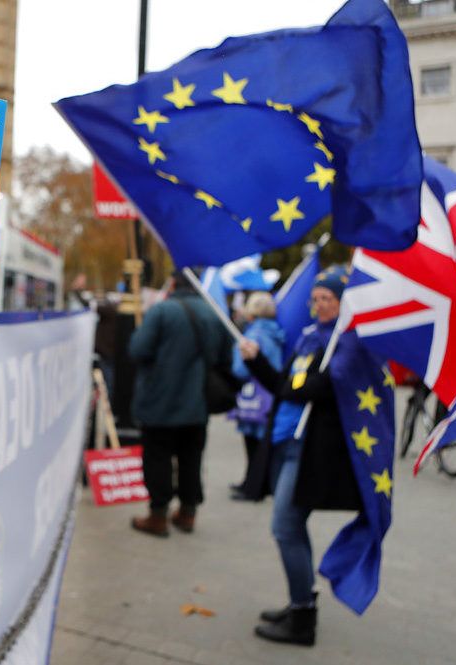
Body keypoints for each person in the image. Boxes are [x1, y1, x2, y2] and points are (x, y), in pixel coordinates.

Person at [238, 266, 362, 646]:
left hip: (311, 451)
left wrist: (299, 385)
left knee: (285, 526)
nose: (321, 304)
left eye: (329, 299)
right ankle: (300, 603)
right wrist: (255, 360)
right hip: (285, 441)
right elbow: (283, 386)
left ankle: (303, 619)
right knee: (293, 526)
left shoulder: (349, 342)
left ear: (343, 303)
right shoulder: (309, 339)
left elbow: (324, 387)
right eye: (318, 298)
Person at [128, 273, 227, 536]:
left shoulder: (161, 311)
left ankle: (158, 515)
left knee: (158, 458)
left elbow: (138, 349)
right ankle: (188, 512)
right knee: (191, 458)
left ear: (172, 284)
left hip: (160, 401)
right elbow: (224, 356)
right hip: (197, 403)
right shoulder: (212, 313)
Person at [229, 291, 284, 501]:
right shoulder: (277, 333)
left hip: (253, 395)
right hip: (270, 393)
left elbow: (240, 369)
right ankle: (255, 482)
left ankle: (253, 485)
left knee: (252, 442)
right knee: (262, 440)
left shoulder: (252, 335)